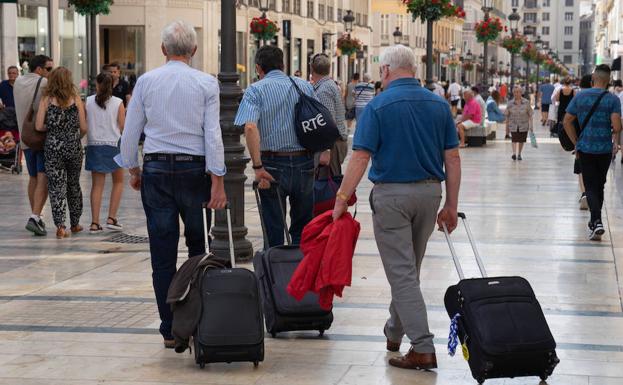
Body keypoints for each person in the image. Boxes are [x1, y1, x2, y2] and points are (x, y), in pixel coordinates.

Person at [332, 44, 461, 371]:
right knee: (408, 269)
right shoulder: (439, 105)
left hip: (392, 197)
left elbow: (360, 157)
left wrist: (342, 199)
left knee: (402, 273)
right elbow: (453, 158)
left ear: (386, 70)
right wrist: (451, 204)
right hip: (430, 195)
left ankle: (422, 346)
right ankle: (394, 331)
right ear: (413, 69)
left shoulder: (377, 106)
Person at [116, 20, 227, 348]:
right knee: (197, 247)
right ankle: (195, 319)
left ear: (163, 50)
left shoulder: (147, 81)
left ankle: (169, 328)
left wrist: (134, 170)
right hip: (194, 171)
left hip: (157, 171)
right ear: (193, 50)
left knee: (161, 252)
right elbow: (212, 134)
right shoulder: (207, 83)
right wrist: (218, 181)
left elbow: (131, 132)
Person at [235, 45, 315, 248]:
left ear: (258, 68)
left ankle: (275, 274)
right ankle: (299, 272)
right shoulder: (304, 86)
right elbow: (317, 122)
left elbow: (250, 127)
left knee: (273, 227)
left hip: (272, 164)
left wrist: (257, 166)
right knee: (303, 226)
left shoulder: (255, 89)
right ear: (284, 65)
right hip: (304, 161)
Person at [563, 64, 622, 241]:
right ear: (609, 80)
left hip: (585, 148)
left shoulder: (580, 96)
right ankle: (595, 221)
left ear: (593, 78)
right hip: (604, 148)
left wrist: (576, 142)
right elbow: (617, 127)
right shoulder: (613, 99)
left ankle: (596, 220)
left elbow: (566, 121)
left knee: (589, 185)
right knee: (599, 185)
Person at [34, 67, 87, 238]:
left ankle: (60, 226)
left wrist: (53, 130)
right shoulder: (76, 99)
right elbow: (84, 127)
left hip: (53, 148)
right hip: (73, 147)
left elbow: (38, 126)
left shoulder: (46, 100)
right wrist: (74, 136)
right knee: (73, 184)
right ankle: (75, 223)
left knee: (56, 187)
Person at [14, 55, 54, 236]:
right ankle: (35, 216)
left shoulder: (18, 82)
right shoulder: (44, 83)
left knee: (32, 178)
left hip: (25, 138)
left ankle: (36, 217)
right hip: (40, 137)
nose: (50, 72)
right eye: (49, 69)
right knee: (43, 177)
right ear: (39, 69)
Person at [85, 73, 126, 233]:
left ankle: (94, 223)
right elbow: (122, 126)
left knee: (97, 185)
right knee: (118, 182)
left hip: (94, 145)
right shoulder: (118, 103)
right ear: (113, 85)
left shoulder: (88, 102)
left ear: (97, 84)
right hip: (114, 145)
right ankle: (111, 217)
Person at [310, 53, 348, 176]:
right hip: (334, 142)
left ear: (312, 68)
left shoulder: (323, 90)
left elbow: (328, 121)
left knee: (327, 185)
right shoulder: (329, 85)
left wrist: (326, 149)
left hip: (331, 145)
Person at [573, 74, 593, 211]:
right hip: (597, 138)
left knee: (581, 168)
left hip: (581, 138)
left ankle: (585, 193)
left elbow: (569, 119)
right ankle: (592, 194)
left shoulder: (578, 97)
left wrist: (575, 140)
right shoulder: (601, 96)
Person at [505, 86, 533, 161]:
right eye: (515, 92)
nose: (516, 94)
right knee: (514, 139)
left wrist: (531, 126)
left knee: (521, 140)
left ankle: (519, 153)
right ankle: (514, 153)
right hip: (513, 124)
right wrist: (507, 129)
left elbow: (530, 114)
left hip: (523, 124)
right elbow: (507, 115)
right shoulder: (510, 103)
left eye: (518, 92)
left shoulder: (526, 102)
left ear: (521, 93)